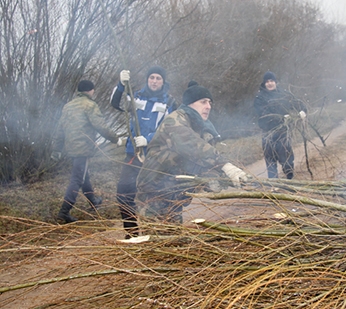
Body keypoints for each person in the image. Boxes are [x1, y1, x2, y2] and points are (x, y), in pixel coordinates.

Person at [136, 84, 249, 224]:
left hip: (175, 196)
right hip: (154, 195)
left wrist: (216, 179)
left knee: (174, 241)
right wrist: (225, 165)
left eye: (210, 102)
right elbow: (191, 145)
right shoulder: (175, 120)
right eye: (203, 102)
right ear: (189, 104)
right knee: (156, 240)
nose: (208, 106)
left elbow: (198, 163)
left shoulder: (202, 128)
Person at [110, 66, 178, 238]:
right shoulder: (135, 97)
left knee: (153, 198)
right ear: (147, 79)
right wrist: (121, 84)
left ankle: (157, 234)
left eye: (158, 78)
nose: (154, 81)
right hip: (133, 155)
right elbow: (115, 103)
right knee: (123, 194)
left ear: (163, 81)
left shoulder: (169, 102)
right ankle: (132, 234)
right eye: (152, 78)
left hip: (156, 158)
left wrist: (149, 138)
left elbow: (171, 129)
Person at [52, 80, 120, 223]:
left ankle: (93, 200)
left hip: (72, 148)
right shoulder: (90, 105)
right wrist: (116, 139)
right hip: (82, 149)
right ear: (91, 90)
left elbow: (60, 129)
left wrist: (57, 149)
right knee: (77, 179)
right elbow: (100, 126)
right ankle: (64, 212)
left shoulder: (68, 106)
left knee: (83, 175)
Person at [253, 71, 307, 179]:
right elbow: (263, 114)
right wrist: (281, 118)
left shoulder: (284, 94)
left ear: (275, 82)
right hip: (268, 133)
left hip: (283, 132)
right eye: (267, 81)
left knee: (287, 159)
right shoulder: (260, 98)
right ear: (264, 83)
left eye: (272, 81)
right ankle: (274, 186)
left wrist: (303, 111)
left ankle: (290, 180)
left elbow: (297, 103)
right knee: (270, 161)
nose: (270, 83)